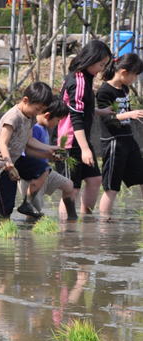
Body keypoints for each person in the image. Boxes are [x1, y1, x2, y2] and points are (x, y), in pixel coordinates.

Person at [56, 40, 113, 214]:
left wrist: (99, 111)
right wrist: (85, 149)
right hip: (69, 141)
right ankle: (68, 231)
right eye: (101, 64)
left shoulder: (86, 78)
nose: (102, 69)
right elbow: (76, 116)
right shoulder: (78, 79)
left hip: (80, 140)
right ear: (91, 59)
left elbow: (80, 107)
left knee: (95, 180)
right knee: (71, 188)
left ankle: (86, 220)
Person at [0, 82, 58, 219]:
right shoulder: (13, 117)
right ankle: (3, 227)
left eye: (41, 110)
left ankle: (27, 203)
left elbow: (29, 140)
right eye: (37, 109)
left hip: (16, 159)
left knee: (43, 169)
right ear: (25, 100)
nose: (38, 113)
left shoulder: (30, 117)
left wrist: (50, 149)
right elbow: (3, 143)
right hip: (0, 163)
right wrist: (9, 165)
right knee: (6, 205)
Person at [95, 53, 143, 216]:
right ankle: (104, 224)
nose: (135, 79)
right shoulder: (104, 91)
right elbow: (108, 119)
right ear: (123, 72)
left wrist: (133, 114)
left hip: (128, 140)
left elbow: (125, 112)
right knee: (111, 186)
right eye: (134, 75)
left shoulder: (124, 88)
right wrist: (130, 114)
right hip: (113, 142)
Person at [17, 96, 78, 220]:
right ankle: (27, 237)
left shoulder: (44, 128)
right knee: (33, 214)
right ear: (47, 115)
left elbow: (43, 150)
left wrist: (51, 156)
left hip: (46, 172)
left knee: (69, 186)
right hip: (33, 176)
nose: (57, 124)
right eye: (57, 120)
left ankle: (72, 218)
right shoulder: (34, 128)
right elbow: (28, 152)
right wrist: (49, 153)